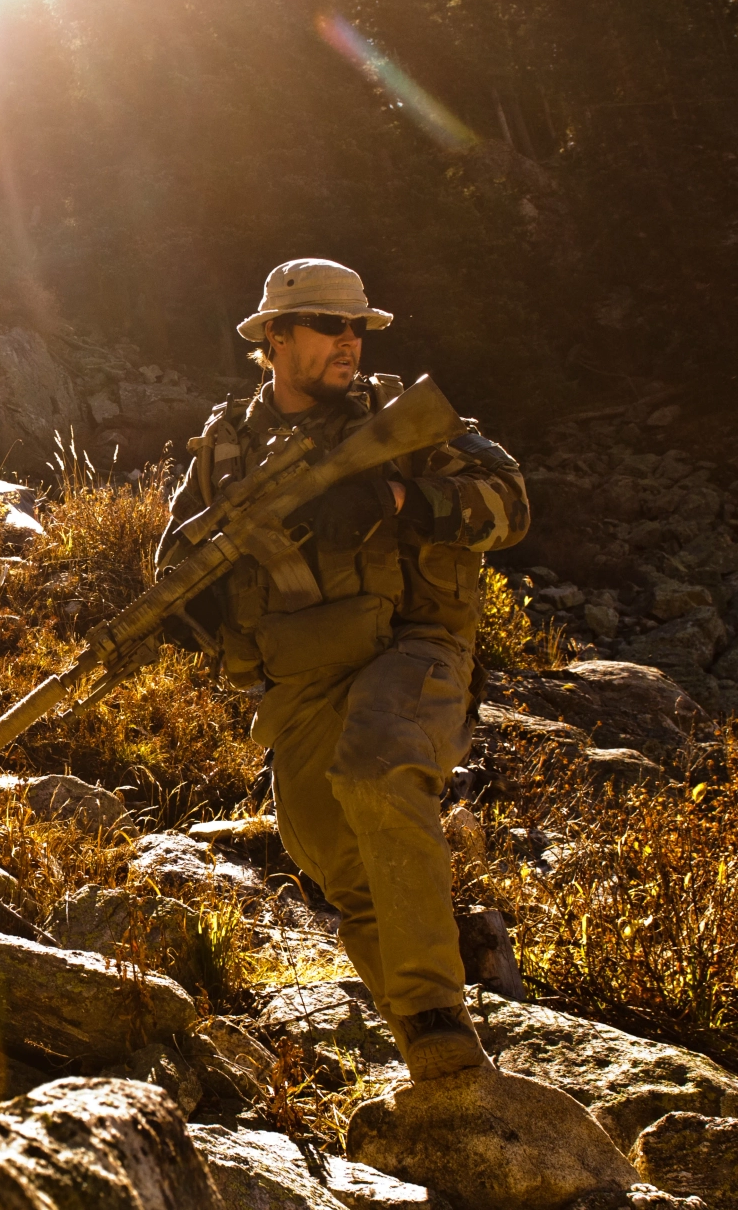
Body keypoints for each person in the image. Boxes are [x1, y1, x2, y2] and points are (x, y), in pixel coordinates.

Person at [157, 259, 529, 1081]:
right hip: (299, 673)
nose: (348, 341)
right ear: (274, 339)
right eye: (329, 325)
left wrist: (400, 501)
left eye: (357, 326)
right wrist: (193, 607)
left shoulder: (404, 418)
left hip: (411, 642)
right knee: (329, 853)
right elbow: (177, 551)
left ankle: (440, 1013)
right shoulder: (226, 448)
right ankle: (427, 1046)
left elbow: (509, 499)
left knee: (378, 767)